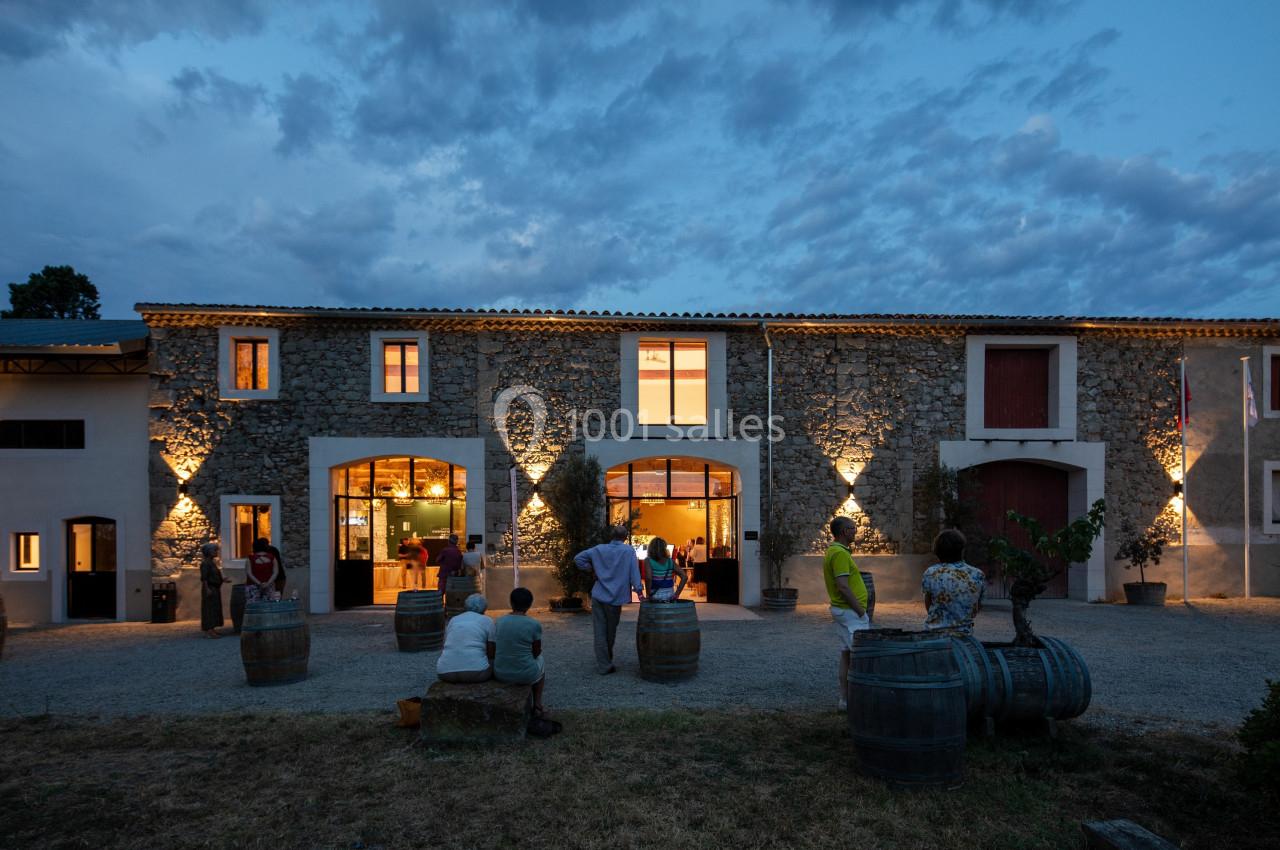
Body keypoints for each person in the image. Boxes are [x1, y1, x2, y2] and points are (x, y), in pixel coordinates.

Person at [575, 525, 646, 674]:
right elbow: (635, 573)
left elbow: (578, 559)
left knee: (599, 631)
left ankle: (604, 663)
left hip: (598, 595)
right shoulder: (628, 551)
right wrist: (639, 593)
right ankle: (606, 663)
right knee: (610, 632)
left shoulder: (599, 549)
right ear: (625, 537)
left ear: (611, 536)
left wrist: (591, 569)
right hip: (615, 597)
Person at [824, 516, 870, 711]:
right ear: (844, 532)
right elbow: (843, 586)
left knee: (847, 654)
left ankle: (845, 700)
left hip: (846, 611)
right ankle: (860, 700)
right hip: (851, 613)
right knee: (861, 656)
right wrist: (861, 612)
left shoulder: (835, 551)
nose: (855, 532)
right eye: (852, 528)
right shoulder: (840, 554)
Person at [490, 588, 546, 716]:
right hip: (525, 674)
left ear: (511, 602)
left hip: (500, 673)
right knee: (541, 661)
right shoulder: (534, 624)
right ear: (530, 604)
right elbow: (536, 652)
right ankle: (537, 703)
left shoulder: (499, 621)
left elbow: (493, 648)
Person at [922, 529, 986, 635]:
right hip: (964, 634)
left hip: (934, 634)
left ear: (937, 551)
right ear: (962, 550)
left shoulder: (930, 573)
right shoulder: (977, 574)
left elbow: (928, 605)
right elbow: (976, 607)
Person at [437, 593, 495, 683]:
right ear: (484, 609)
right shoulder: (487, 620)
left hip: (444, 673)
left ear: (466, 606)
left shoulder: (453, 620)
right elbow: (491, 652)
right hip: (477, 673)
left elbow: (445, 645)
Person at [199, 541, 229, 638]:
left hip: (214, 588)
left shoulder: (212, 563)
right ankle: (209, 630)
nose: (216, 552)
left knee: (214, 608)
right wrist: (207, 589)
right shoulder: (205, 563)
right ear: (209, 551)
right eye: (214, 550)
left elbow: (213, 575)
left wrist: (222, 580)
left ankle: (212, 629)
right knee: (209, 609)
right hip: (210, 588)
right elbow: (204, 578)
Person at [644, 537, 687, 602]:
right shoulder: (670, 561)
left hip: (655, 595)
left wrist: (648, 594)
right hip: (669, 594)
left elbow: (648, 578)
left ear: (651, 548)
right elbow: (684, 577)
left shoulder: (648, 561)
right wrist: (677, 594)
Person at [246, 537, 281, 603]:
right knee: (268, 607)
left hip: (252, 586)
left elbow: (249, 573)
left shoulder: (250, 559)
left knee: (254, 608)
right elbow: (275, 572)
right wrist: (268, 583)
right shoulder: (272, 558)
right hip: (269, 586)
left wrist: (259, 583)